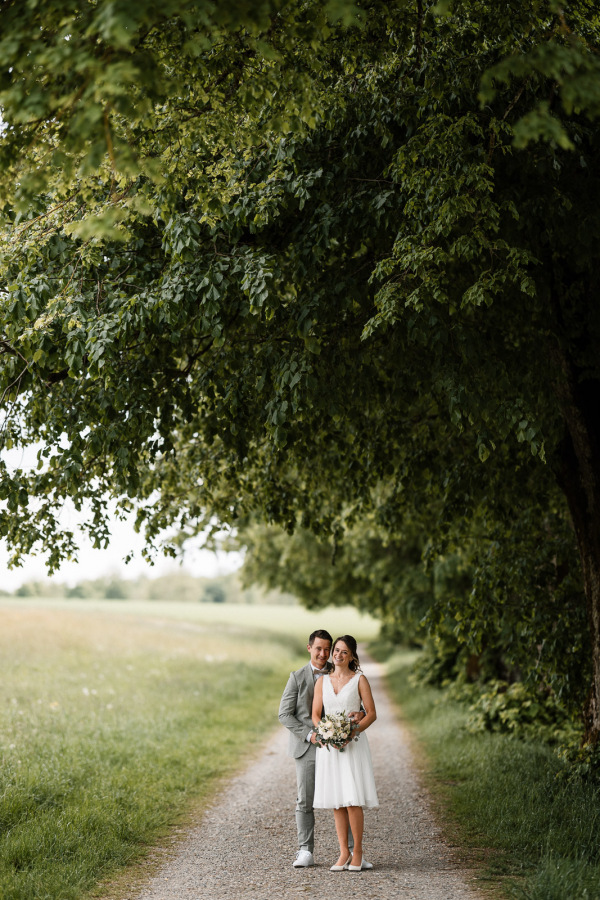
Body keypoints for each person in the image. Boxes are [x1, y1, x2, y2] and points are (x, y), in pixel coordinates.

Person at [278, 629, 372, 869]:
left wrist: (360, 714)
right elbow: (284, 714)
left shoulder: (339, 671)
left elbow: (354, 701)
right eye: (319, 648)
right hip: (308, 745)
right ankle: (305, 851)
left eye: (327, 649)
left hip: (339, 746)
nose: (324, 653)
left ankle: (353, 852)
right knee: (305, 799)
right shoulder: (297, 677)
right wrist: (311, 735)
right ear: (309, 648)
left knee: (346, 796)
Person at [312, 634, 378, 872]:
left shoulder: (360, 679)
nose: (338, 655)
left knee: (352, 799)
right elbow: (316, 715)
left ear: (352, 657)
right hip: (330, 748)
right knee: (337, 801)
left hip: (353, 746)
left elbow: (371, 713)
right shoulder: (322, 681)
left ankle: (358, 851)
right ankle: (343, 852)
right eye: (336, 650)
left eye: (344, 652)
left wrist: (351, 733)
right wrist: (326, 733)